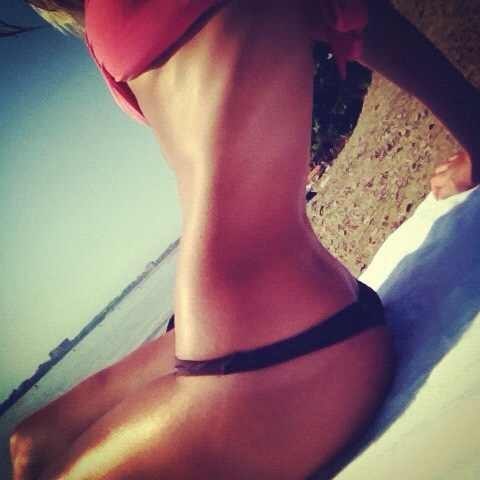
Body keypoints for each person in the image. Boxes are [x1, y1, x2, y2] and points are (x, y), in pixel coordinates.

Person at [7, 1, 479, 479]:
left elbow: (368, 18)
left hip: (272, 358)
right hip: (289, 329)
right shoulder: (102, 20)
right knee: (30, 441)